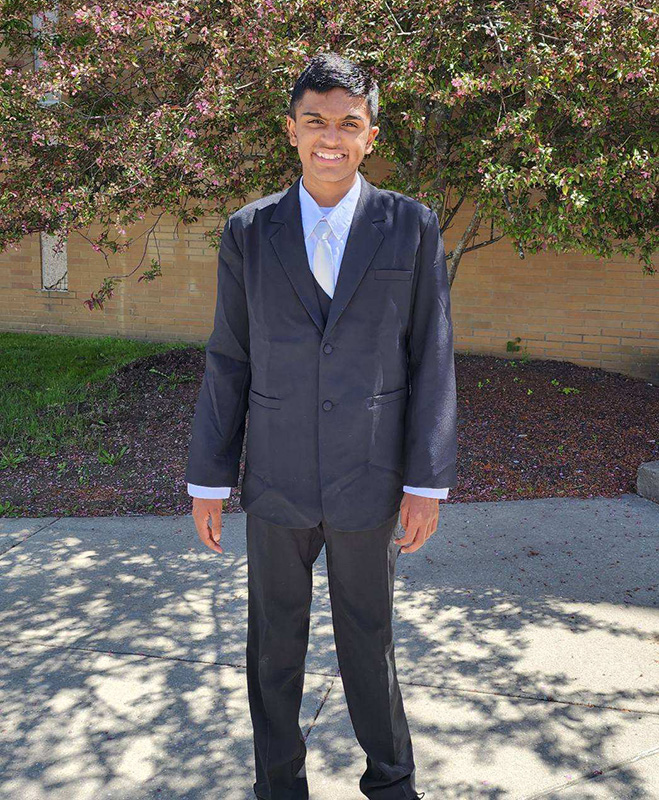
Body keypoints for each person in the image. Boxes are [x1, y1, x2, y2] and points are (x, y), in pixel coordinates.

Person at [185, 51, 457, 800]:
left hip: (369, 478)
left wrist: (425, 482)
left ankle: (392, 782)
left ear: (370, 135)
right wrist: (209, 478)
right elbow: (229, 356)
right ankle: (279, 785)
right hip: (274, 479)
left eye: (348, 123)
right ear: (291, 130)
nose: (330, 137)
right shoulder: (250, 230)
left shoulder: (409, 225)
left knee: (369, 644)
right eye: (315, 122)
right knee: (274, 648)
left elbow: (431, 355)